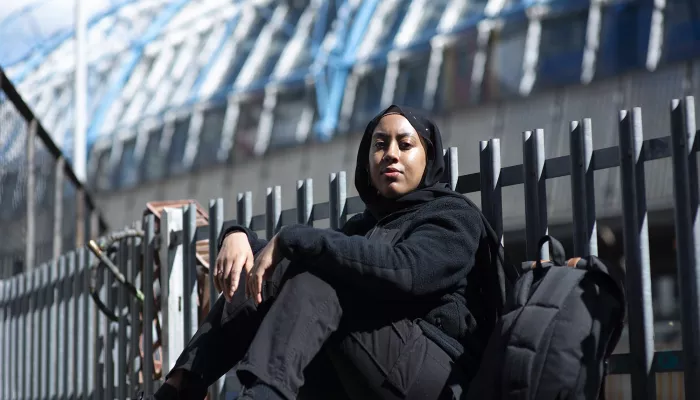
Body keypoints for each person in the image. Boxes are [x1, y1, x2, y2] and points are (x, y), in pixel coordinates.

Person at [148, 105, 497, 400]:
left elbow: (406, 272)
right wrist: (237, 236)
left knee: (316, 276)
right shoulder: (364, 227)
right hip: (372, 366)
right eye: (380, 144)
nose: (391, 153)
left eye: (406, 145)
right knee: (275, 268)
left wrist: (293, 238)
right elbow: (288, 263)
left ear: (429, 157)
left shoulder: (452, 215)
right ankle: (181, 387)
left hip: (436, 376)